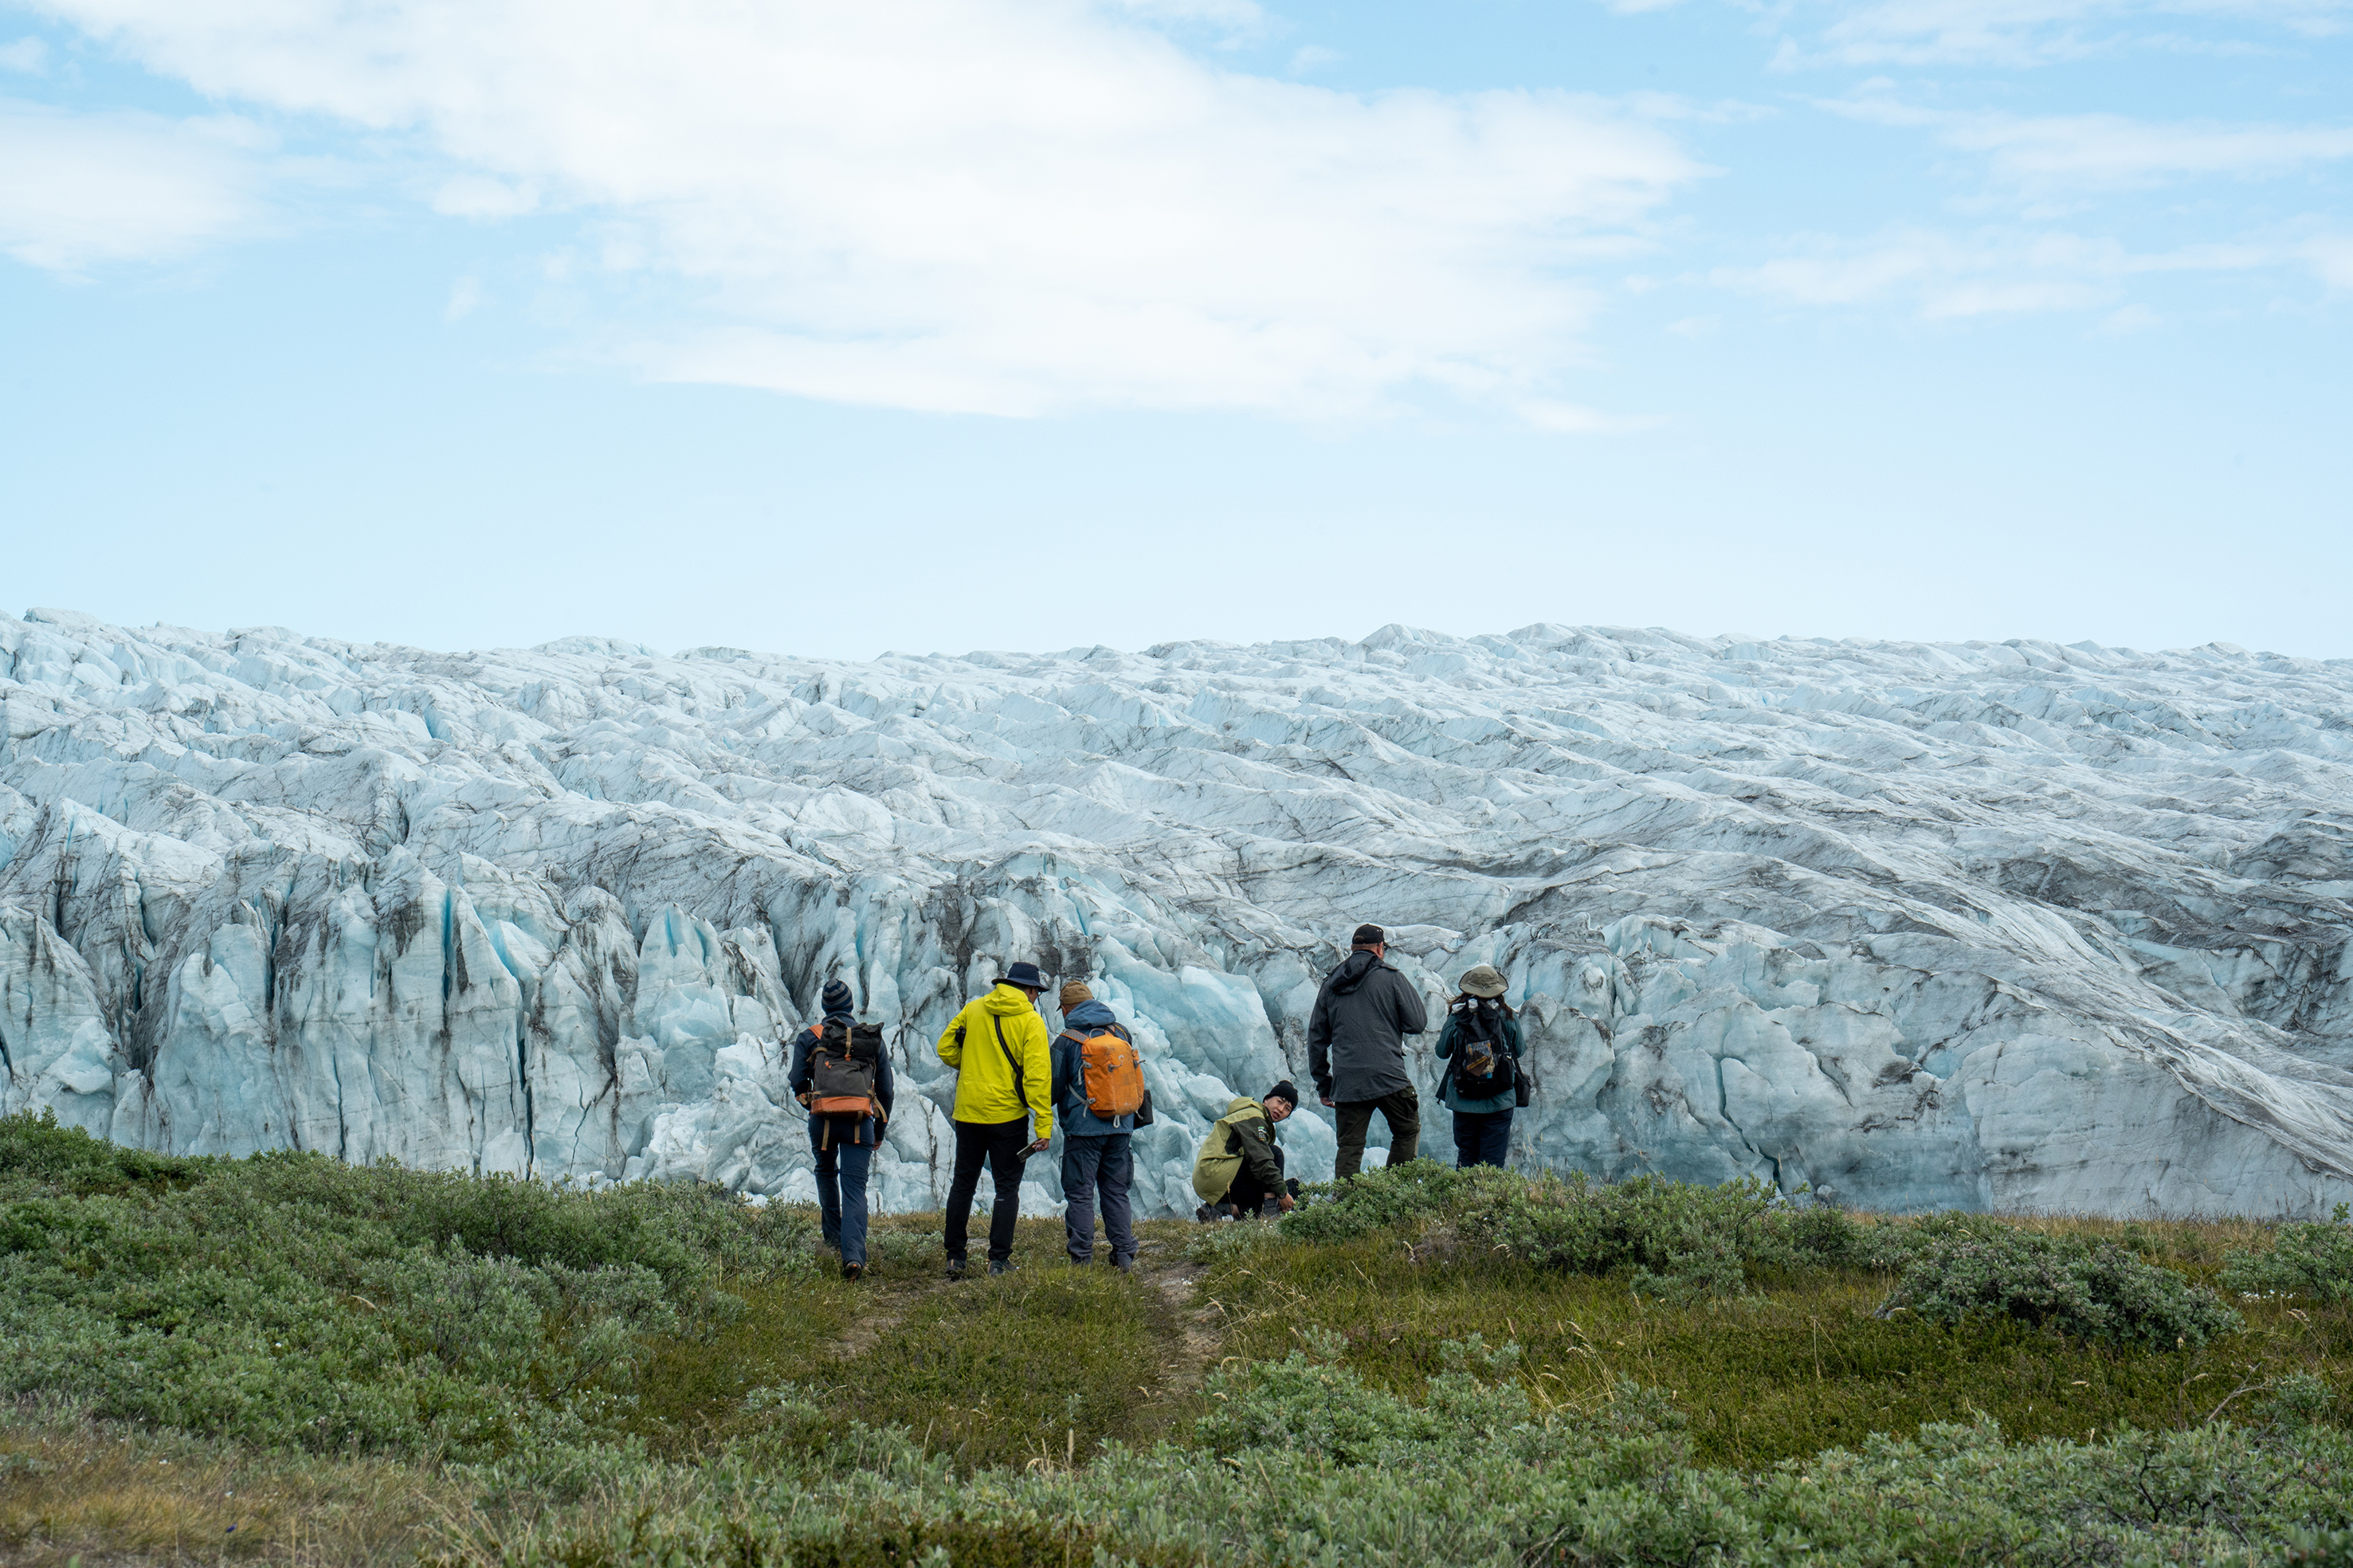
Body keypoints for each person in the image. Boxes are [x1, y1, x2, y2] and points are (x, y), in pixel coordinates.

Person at [935, 959, 1056, 1277]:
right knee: (1006, 1188)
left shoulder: (974, 1010)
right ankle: (998, 1260)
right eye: (1036, 992)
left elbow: (945, 1047)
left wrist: (972, 1061)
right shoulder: (1031, 1022)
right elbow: (1037, 1078)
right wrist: (1043, 1124)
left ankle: (955, 1258)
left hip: (969, 1114)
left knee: (963, 1183)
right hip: (1008, 1118)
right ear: (1028, 989)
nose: (1035, 998)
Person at [787, 978, 896, 1280]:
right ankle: (853, 1256)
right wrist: (880, 1129)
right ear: (850, 1005)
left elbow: (797, 1080)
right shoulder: (868, 1038)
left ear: (824, 1008)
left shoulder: (811, 1037)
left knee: (825, 1173)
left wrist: (813, 1104)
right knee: (854, 1187)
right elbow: (886, 1090)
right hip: (860, 1124)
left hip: (823, 1121)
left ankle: (833, 1240)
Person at [1308, 923, 1429, 1178]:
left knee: (1350, 1147)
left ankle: (1346, 1206)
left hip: (1348, 1081)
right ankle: (1394, 1192)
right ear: (1380, 949)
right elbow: (1417, 1023)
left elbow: (1317, 1037)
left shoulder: (1330, 984)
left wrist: (1323, 1083)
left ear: (1352, 949)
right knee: (1407, 1130)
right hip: (1389, 1076)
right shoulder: (1392, 977)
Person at [1049, 980, 1140, 1269]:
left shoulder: (1067, 1040)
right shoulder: (1120, 1032)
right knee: (1115, 1191)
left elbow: (1052, 1089)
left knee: (1080, 1193)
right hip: (1121, 1126)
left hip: (1083, 1129)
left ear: (1066, 1008)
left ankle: (1082, 1259)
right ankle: (1124, 1255)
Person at [1433, 964, 1524, 1169]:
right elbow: (1520, 1050)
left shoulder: (1458, 1016)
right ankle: (1488, 1200)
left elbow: (1441, 1052)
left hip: (1464, 1099)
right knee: (1492, 1162)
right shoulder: (1506, 1016)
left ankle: (1464, 1199)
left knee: (1467, 1156)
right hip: (1499, 1099)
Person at [1191, 1080, 1300, 1220]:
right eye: (1279, 1101)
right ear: (1266, 1100)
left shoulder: (1258, 1119)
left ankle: (1216, 1210)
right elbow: (1261, 1160)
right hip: (1214, 1173)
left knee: (1266, 1190)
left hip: (1210, 1179)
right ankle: (1271, 1216)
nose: (1280, 1109)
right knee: (1274, 1154)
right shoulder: (1254, 1116)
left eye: (1287, 1108)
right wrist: (1282, 1193)